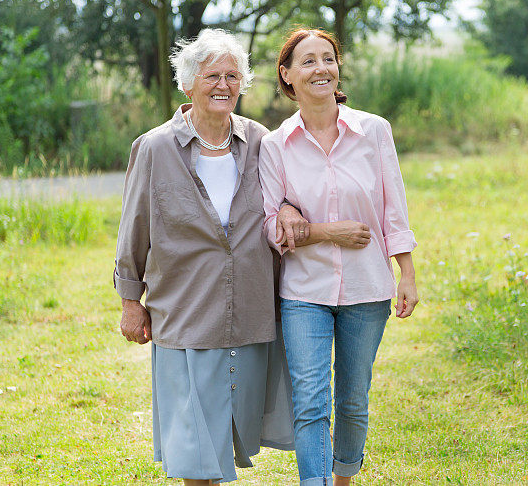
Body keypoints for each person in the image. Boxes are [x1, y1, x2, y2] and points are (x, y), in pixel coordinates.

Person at [113, 28, 306, 485]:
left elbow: (290, 196)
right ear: (187, 84)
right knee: (196, 447)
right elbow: (133, 227)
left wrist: (291, 207)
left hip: (251, 308)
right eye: (212, 76)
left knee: (230, 431)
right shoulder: (155, 147)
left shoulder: (261, 141)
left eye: (232, 76)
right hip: (186, 310)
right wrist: (129, 300)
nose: (223, 85)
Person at [258, 28, 419, 486]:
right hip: (303, 291)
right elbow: (272, 228)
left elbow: (394, 208)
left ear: (338, 68)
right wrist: (324, 231)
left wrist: (406, 272)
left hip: (368, 286)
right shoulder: (275, 145)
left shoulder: (373, 131)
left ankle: (344, 477)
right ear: (287, 76)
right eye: (307, 62)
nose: (320, 69)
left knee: (352, 400)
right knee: (311, 402)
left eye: (327, 59)